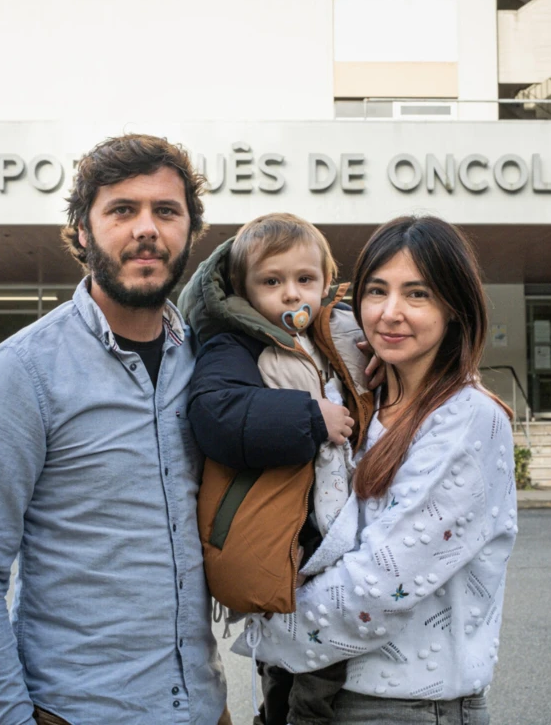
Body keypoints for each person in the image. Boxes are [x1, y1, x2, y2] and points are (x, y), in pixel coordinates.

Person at [0, 135, 229, 725]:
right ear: (82, 231)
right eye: (122, 210)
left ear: (190, 231)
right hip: (79, 710)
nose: (146, 229)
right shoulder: (21, 374)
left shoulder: (206, 362)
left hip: (202, 705)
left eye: (166, 211)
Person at [234, 215, 517, 725]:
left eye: (417, 294)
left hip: (405, 708)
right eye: (377, 291)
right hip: (308, 691)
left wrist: (266, 621)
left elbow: (379, 587)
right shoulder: (357, 399)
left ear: (455, 307)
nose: (390, 313)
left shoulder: (468, 419)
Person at [180, 213, 376, 725]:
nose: (291, 294)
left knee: (314, 652)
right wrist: (311, 418)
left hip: (332, 520)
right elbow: (217, 413)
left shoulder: (336, 338)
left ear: (326, 282)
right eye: (271, 282)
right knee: (301, 657)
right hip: (286, 531)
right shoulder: (237, 344)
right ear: (243, 291)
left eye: (305, 279)